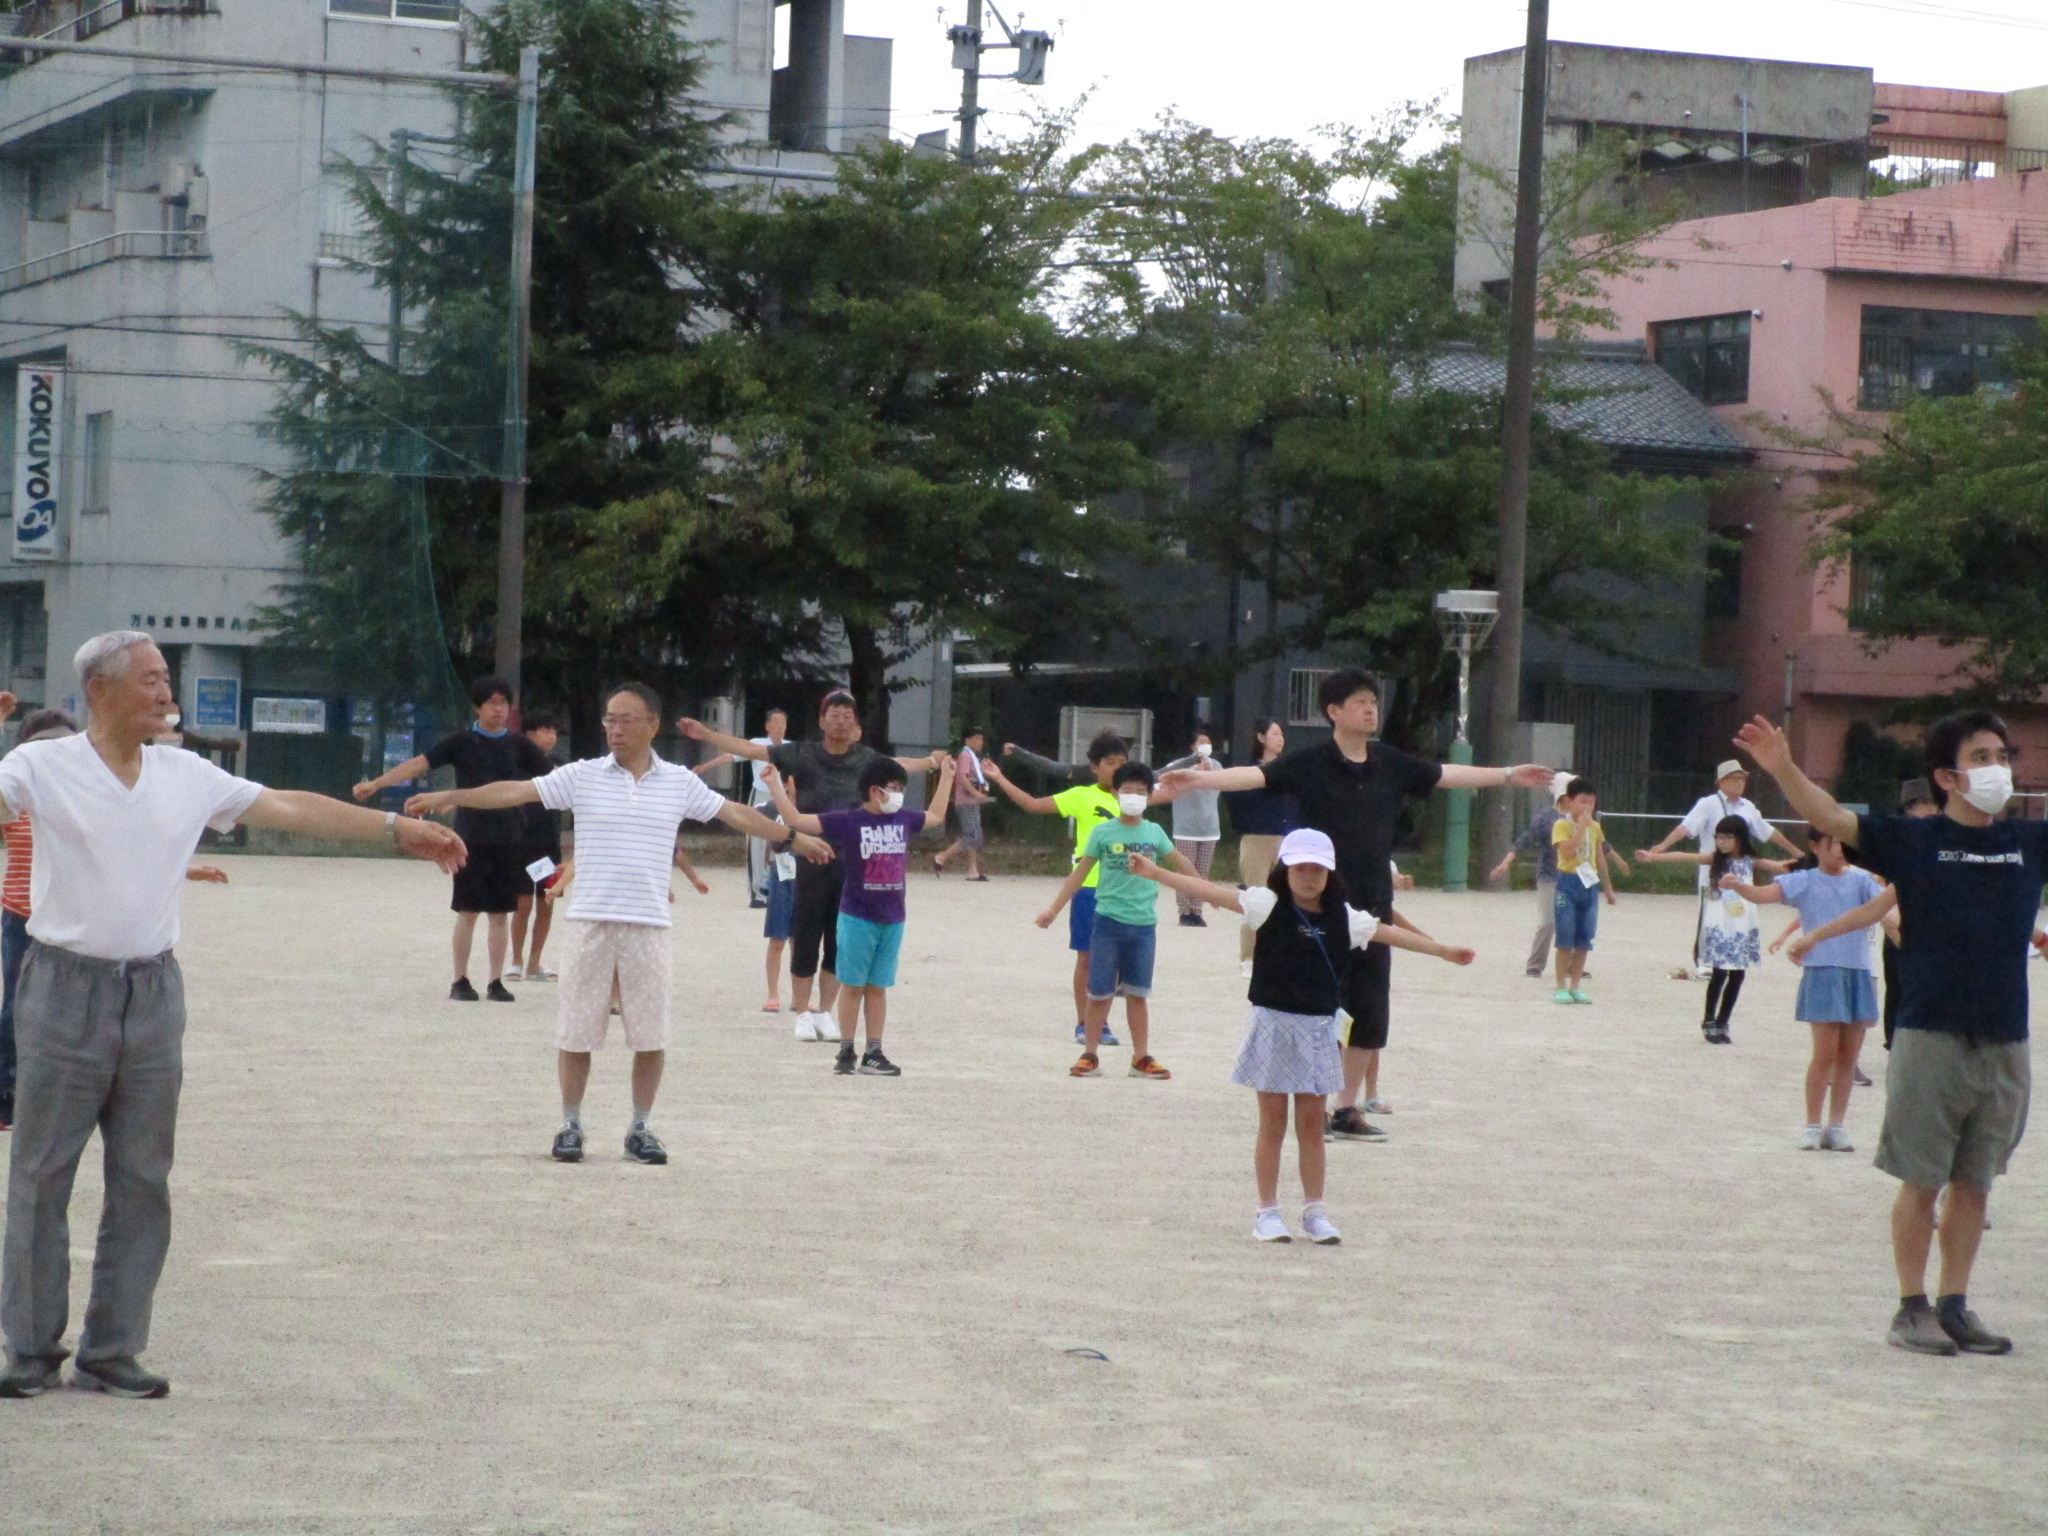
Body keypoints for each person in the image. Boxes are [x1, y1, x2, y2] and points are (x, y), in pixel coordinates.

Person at [0, 632, 464, 1401]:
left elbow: (287, 805)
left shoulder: (186, 773)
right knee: (43, 1173)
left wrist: (392, 828)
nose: (164, 690)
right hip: (61, 987)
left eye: (165, 678)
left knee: (143, 1177)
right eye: (149, 679)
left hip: (153, 991)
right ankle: (29, 1348)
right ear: (101, 691)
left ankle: (113, 1349)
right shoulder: (41, 767)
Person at [409, 683, 829, 1167]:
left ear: (652, 724)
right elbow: (515, 790)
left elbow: (734, 811)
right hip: (590, 920)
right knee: (576, 1032)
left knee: (650, 1036)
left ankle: (640, 1127)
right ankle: (570, 1124)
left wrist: (790, 837)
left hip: (648, 923)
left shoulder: (677, 781)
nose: (615, 728)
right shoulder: (583, 776)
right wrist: (449, 794)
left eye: (626, 719)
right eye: (609, 718)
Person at [1734, 709, 2040, 1357]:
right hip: (1930, 1035)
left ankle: (1956, 1305)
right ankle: (1911, 1308)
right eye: (1981, 757)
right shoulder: (1913, 842)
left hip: (2006, 1039)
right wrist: (1784, 767)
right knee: (1922, 1178)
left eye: (2002, 755)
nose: (1998, 769)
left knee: (1976, 1184)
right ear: (1946, 776)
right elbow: (1834, 817)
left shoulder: (2031, 843)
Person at [1164, 670, 1550, 1139]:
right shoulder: (1310, 762)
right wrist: (1199, 781)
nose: (1372, 709)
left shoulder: (1389, 762)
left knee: (1369, 1008)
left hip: (1372, 899)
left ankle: (1345, 1109)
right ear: (1334, 711)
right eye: (1361, 701)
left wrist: (1509, 774)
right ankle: (1312, 1103)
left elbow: (1446, 774)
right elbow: (1256, 775)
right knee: (1317, 1004)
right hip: (1315, 900)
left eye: (1374, 701)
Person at [1129, 828, 1475, 1242]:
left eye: (1318, 869)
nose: (1309, 877)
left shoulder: (1345, 917)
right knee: (1272, 1124)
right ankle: (1267, 1212)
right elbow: (1209, 890)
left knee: (1312, 1124)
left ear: (1330, 873)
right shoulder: (1264, 904)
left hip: (1317, 1031)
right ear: (1284, 869)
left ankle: (1314, 1211)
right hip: (1272, 1026)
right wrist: (1154, 873)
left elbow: (1388, 932)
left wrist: (1442, 950)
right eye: (1301, 868)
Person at [679, 692, 941, 1044]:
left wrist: (932, 761)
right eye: (835, 713)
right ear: (822, 720)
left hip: (854, 861)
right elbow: (752, 750)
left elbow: (900, 765)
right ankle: (802, 1011)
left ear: (855, 723)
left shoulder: (867, 758)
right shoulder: (801, 753)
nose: (842, 720)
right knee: (805, 934)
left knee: (839, 939)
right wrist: (706, 734)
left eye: (849, 714)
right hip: (808, 853)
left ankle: (825, 1012)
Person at [354, 675, 553, 1003]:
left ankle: (495, 980)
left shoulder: (520, 746)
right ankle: (460, 979)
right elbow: (419, 764)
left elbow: (553, 778)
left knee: (500, 913)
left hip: (509, 837)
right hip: (469, 837)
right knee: (468, 910)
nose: (499, 709)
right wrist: (377, 783)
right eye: (492, 702)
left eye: (504, 703)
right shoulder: (461, 742)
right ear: (477, 706)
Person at [764, 754, 953, 1076]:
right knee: (853, 985)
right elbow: (797, 819)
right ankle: (847, 1050)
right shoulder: (851, 821)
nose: (898, 795)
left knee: (878, 987)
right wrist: (774, 786)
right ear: (875, 790)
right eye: (893, 788)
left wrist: (947, 775)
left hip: (893, 917)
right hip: (857, 917)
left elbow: (935, 815)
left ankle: (874, 1051)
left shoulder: (904, 819)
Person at [1723, 829, 1884, 1150]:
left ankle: (1836, 1125)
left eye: (1845, 844)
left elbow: (1886, 908)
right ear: (1815, 846)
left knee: (1849, 1058)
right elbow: (1764, 894)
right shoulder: (1805, 879)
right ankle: (1812, 1123)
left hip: (1860, 973)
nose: (1841, 850)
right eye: (1833, 843)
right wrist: (1739, 886)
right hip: (1822, 972)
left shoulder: (1863, 880)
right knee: (1824, 1054)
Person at [1033, 762, 1188, 1080]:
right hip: (1107, 924)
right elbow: (1080, 873)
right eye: (1127, 790)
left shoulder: (1154, 832)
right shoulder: (1103, 832)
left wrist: (1207, 891)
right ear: (1115, 792)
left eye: (1141, 791)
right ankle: (1090, 1054)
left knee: (1138, 994)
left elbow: (1179, 861)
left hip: (1144, 926)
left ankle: (1141, 1057)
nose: (1133, 796)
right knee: (1099, 993)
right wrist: (1053, 909)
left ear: (1149, 795)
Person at [984, 731, 1136, 1046]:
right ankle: (1088, 1024)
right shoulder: (1081, 795)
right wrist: (999, 778)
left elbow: (1169, 793)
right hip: (1089, 889)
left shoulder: (1134, 798)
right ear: (1094, 767)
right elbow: (1032, 804)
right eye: (1110, 763)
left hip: (1125, 891)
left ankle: (1100, 1019)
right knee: (1088, 959)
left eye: (1122, 763)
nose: (1116, 769)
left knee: (1117, 962)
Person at [1640, 760, 1801, 979]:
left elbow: (1767, 831)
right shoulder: (1708, 803)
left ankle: (1730, 958)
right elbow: (1686, 827)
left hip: (1741, 872)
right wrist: (1662, 847)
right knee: (1709, 916)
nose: (1739, 782)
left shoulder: (1748, 807)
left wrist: (1795, 852)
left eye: (1742, 778)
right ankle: (1703, 961)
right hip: (1713, 869)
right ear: (1721, 781)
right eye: (1734, 778)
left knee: (1737, 914)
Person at [1638, 817, 1791, 1042]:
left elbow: (1781, 867)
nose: (1722, 841)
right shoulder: (1715, 860)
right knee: (1719, 973)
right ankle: (1709, 1019)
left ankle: (1723, 1021)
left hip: (1743, 921)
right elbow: (1685, 857)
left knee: (1738, 974)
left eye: (1728, 837)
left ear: (1740, 838)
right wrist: (1654, 857)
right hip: (1721, 921)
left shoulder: (1751, 860)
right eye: (1719, 837)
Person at [1222, 718, 1297, 970]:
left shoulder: (1289, 771)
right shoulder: (1249, 771)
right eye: (1275, 733)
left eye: (1282, 734)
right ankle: (1249, 958)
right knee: (1255, 899)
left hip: (1287, 840)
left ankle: (1282, 956)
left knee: (1289, 899)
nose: (1280, 738)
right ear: (1261, 738)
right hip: (1256, 840)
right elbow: (1233, 799)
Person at [1548, 778, 1615, 1004]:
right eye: (1583, 802)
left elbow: (1599, 857)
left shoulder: (1595, 827)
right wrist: (1580, 829)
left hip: (1589, 884)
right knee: (1565, 938)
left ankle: (1576, 985)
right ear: (1570, 802)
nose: (1587, 808)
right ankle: (1560, 986)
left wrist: (1608, 888)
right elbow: (1566, 852)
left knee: (1584, 939)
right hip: (1568, 882)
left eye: (1592, 803)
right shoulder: (1561, 825)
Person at [508, 711, 563, 982]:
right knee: (522, 902)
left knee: (546, 901)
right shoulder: (515, 764)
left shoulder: (560, 767)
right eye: (545, 730)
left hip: (547, 845)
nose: (551, 736)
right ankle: (516, 961)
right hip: (521, 843)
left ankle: (534, 963)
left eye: (554, 731)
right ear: (528, 735)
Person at [1160, 728, 1225, 927]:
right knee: (1184, 870)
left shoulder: (1217, 766)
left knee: (1202, 872)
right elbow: (1164, 776)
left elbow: (1222, 784)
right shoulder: (1180, 766)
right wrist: (1194, 772)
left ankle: (1197, 910)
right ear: (1192, 747)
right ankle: (1184, 911)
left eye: (1208, 742)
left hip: (1209, 829)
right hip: (1185, 828)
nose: (1205, 745)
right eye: (1201, 742)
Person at [745, 707, 790, 908]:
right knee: (757, 843)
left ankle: (774, 889)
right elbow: (731, 756)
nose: (780, 727)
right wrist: (705, 767)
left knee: (781, 843)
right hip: (761, 795)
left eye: (783, 723)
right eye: (776, 723)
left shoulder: (791, 747)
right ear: (767, 726)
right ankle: (757, 893)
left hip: (783, 798)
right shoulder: (757, 744)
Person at [932, 727, 992, 881]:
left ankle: (973, 870)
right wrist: (977, 793)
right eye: (977, 738)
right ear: (967, 740)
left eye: (981, 738)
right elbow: (963, 778)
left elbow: (972, 777)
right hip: (966, 801)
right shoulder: (965, 755)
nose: (980, 742)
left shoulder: (972, 756)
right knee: (974, 836)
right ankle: (942, 856)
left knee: (972, 834)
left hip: (971, 801)